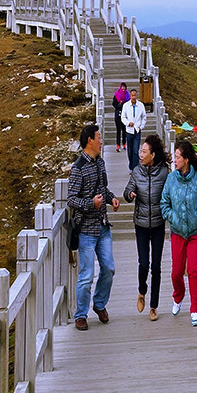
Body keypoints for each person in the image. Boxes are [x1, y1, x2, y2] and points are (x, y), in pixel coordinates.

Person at [67, 124, 120, 331]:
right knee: (86, 275)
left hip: (103, 226)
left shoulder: (101, 163)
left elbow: (102, 189)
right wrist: (91, 204)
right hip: (86, 231)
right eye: (98, 137)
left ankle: (99, 304)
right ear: (89, 140)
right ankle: (81, 315)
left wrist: (111, 198)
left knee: (109, 268)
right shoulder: (77, 168)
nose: (101, 140)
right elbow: (71, 199)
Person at [160, 141, 197, 326]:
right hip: (177, 233)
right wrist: (172, 217)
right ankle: (178, 296)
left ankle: (195, 310)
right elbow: (164, 203)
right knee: (176, 272)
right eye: (174, 156)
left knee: (193, 271)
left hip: (195, 233)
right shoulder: (171, 179)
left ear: (186, 159)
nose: (175, 160)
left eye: (178, 157)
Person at [123, 135, 170, 321]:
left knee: (156, 266)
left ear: (153, 154)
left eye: (144, 151)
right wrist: (130, 194)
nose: (140, 154)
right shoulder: (137, 172)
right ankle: (142, 291)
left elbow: (169, 194)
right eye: (140, 151)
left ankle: (154, 306)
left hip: (158, 224)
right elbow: (127, 191)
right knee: (144, 263)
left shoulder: (164, 173)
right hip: (141, 224)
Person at [121, 87, 147, 171]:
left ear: (137, 96)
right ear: (130, 96)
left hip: (137, 130)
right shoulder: (126, 106)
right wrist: (128, 123)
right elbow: (123, 117)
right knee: (130, 151)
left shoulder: (140, 105)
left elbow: (144, 117)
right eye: (132, 95)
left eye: (135, 95)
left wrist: (141, 126)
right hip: (129, 131)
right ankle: (131, 166)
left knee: (136, 150)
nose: (133, 97)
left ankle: (135, 168)